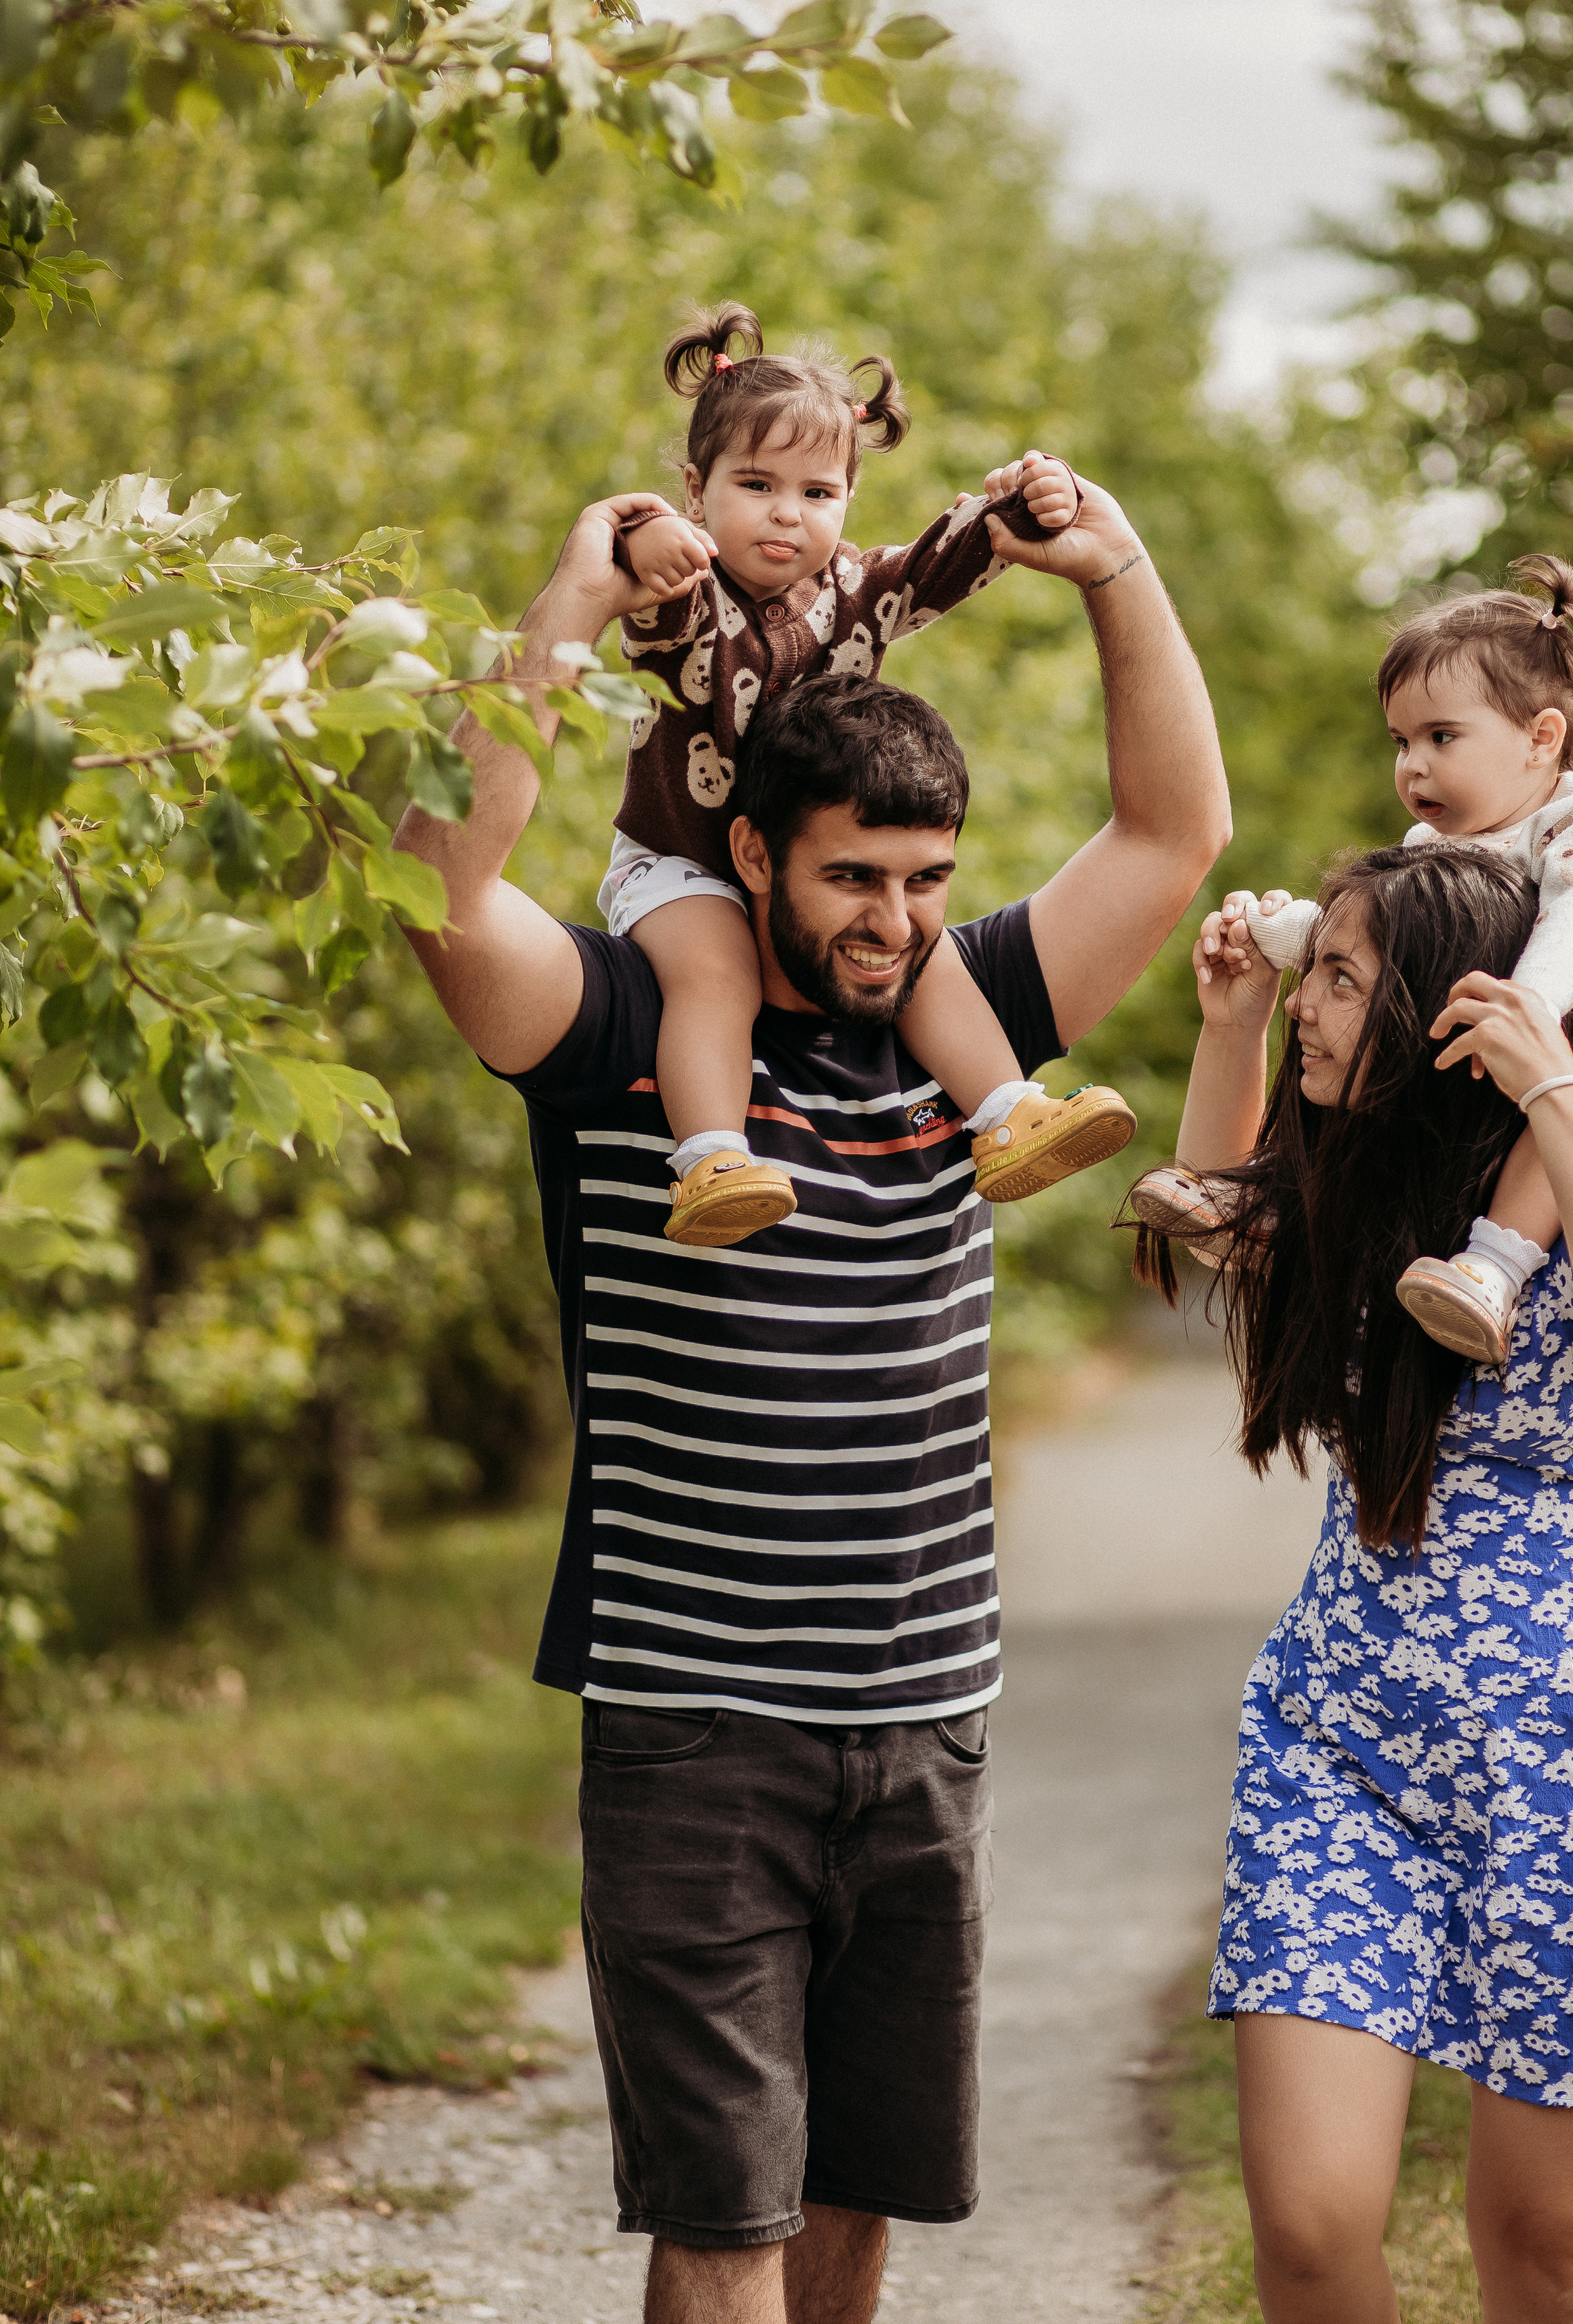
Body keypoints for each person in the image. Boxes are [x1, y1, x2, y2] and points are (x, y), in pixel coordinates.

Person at [391, 474, 1230, 2324]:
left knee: (852, 2201)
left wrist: (1116, 566)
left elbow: (1172, 833)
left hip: (925, 1718)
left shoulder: (966, 1022)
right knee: (725, 2224)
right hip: (697, 1726)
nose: (895, 922)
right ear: (754, 856)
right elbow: (439, 892)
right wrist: (569, 600)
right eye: (854, 878)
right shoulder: (627, 1034)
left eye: (926, 881)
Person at [1143, 844, 1573, 2324]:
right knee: (1307, 2225)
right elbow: (1204, 1215)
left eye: (1341, 981)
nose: (1311, 1004)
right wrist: (1230, 1026)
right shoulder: (1360, 1179)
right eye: (1316, 975)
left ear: (1440, 1010)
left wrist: (1552, 1087)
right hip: (1339, 1746)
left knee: (1545, 2252)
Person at [599, 300, 1135, 1247]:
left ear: (847, 499)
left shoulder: (855, 591)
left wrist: (1019, 503)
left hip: (810, 868)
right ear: (696, 490)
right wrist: (645, 541)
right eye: (755, 485)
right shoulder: (689, 595)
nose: (786, 513)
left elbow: (939, 559)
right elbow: (642, 581)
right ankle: (712, 1159)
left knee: (920, 951)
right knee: (715, 974)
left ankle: (1006, 1112)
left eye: (818, 492)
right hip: (679, 861)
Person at [1132, 556, 1573, 1363]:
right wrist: (1273, 946)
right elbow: (1396, 956)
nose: (1412, 764)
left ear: (1541, 738)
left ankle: (1496, 1264)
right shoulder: (1433, 848)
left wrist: (1530, 1012)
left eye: (1441, 737)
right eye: (1401, 741)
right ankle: (1274, 1200)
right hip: (1522, 1051)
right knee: (1391, 1076)